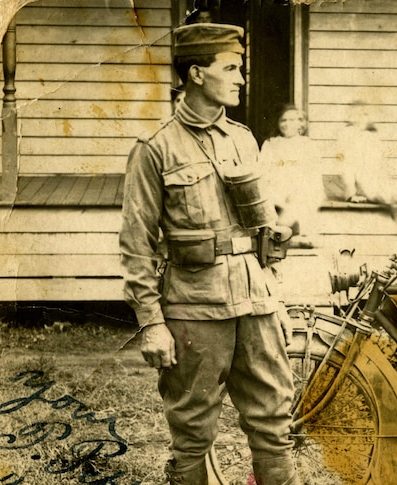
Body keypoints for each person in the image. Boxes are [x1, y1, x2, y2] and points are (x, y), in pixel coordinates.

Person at [119, 23, 299, 485]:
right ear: (196, 74)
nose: (241, 78)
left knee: (274, 424)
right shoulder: (155, 148)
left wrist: (274, 297)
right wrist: (152, 323)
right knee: (193, 431)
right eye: (232, 68)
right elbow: (136, 245)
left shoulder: (243, 138)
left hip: (255, 302)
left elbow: (261, 230)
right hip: (194, 307)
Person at [259, 104, 324, 242]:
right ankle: (284, 233)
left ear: (301, 123)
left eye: (293, 120)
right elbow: (263, 171)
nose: (288, 124)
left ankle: (301, 234)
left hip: (301, 188)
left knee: (304, 197)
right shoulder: (270, 143)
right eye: (283, 120)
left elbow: (313, 172)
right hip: (277, 189)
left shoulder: (308, 144)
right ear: (277, 123)